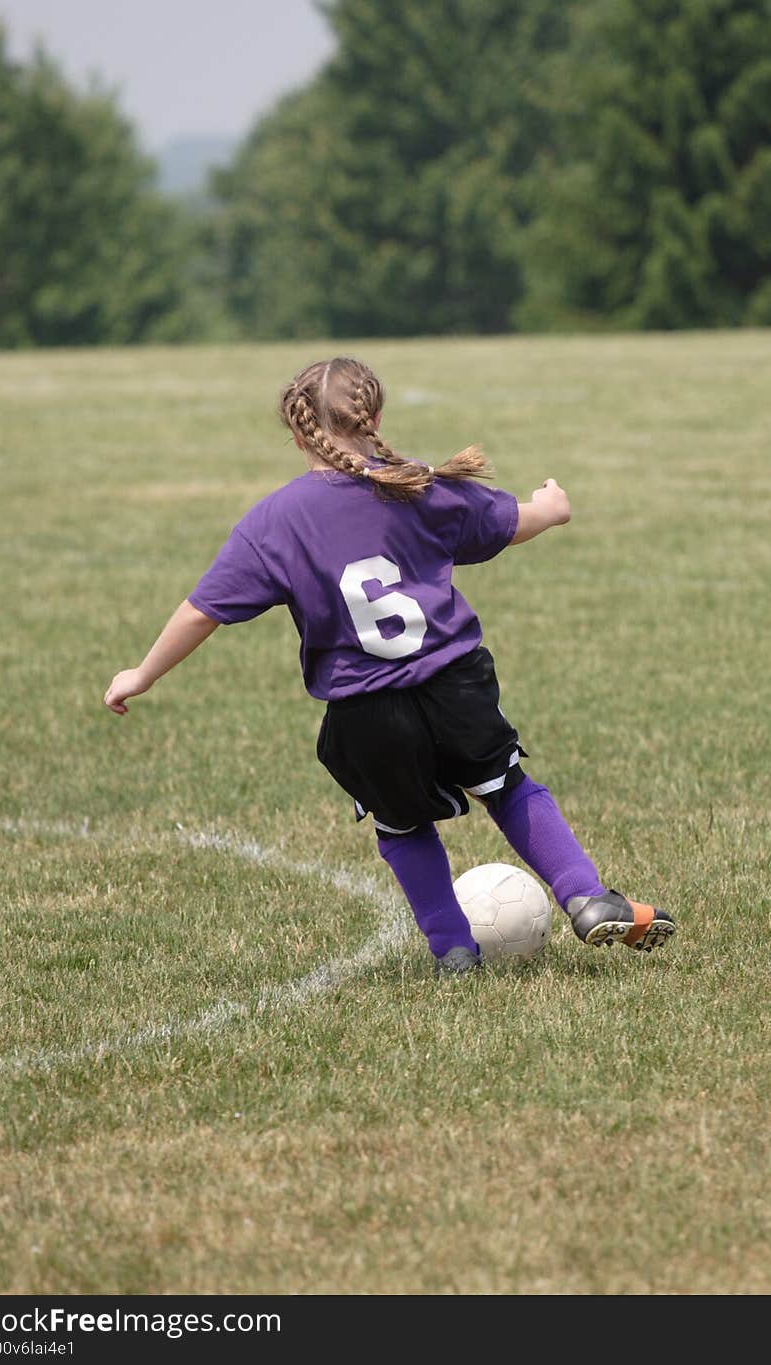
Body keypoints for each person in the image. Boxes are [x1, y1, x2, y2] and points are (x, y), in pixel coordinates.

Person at [104, 356, 675, 976]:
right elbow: (519, 522)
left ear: (298, 435)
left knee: (403, 826)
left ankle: (454, 952)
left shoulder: (274, 521)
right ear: (374, 418)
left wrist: (143, 672)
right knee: (507, 790)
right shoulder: (419, 488)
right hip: (456, 685)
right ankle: (585, 897)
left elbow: (200, 612)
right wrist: (552, 505)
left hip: (364, 709)